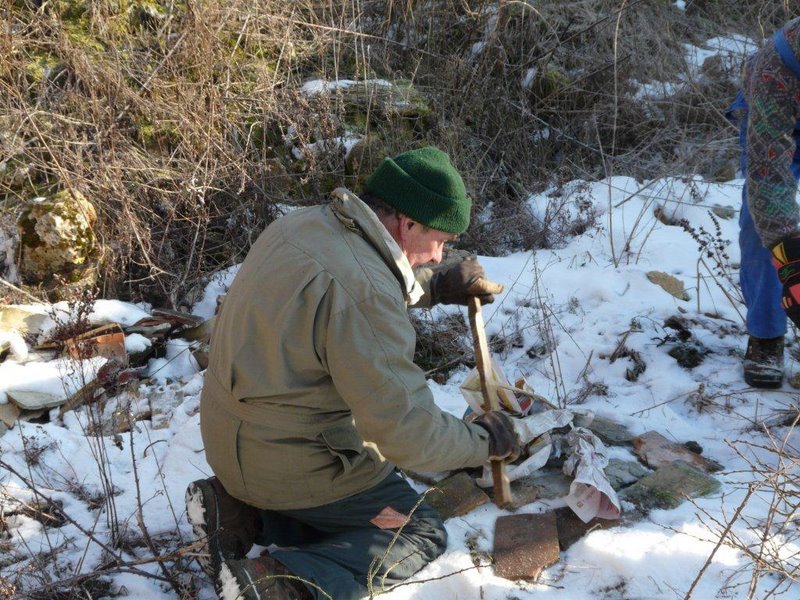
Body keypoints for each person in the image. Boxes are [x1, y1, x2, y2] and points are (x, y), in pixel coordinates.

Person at [185, 146, 527, 600]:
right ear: (406, 224)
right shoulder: (364, 292)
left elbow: (349, 285)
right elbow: (408, 436)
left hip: (228, 440)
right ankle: (279, 583)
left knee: (344, 494)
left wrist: (437, 285)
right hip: (291, 461)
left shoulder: (303, 225)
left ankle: (239, 512)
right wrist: (485, 441)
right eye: (439, 241)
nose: (437, 255)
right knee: (415, 531)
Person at [729, 17, 800, 388]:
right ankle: (767, 335)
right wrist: (792, 265)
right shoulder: (777, 68)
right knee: (761, 227)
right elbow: (768, 182)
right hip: (775, 109)